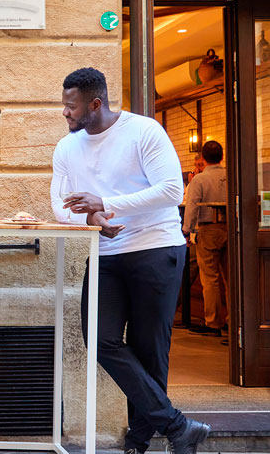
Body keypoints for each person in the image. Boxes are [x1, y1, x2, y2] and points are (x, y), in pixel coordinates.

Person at [50, 68, 210, 454]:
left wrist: (107, 204)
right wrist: (90, 219)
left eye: (71, 107)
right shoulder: (66, 148)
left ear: (95, 104)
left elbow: (172, 190)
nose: (65, 114)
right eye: (64, 106)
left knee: (149, 349)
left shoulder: (143, 131)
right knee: (101, 340)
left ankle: (138, 443)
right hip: (104, 254)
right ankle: (177, 427)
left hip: (156, 248)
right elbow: (60, 205)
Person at [183, 140, 228, 337]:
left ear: (203, 158)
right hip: (232, 229)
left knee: (210, 279)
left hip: (209, 230)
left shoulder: (199, 180)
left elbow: (192, 207)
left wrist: (187, 230)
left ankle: (213, 322)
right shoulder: (231, 175)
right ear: (222, 156)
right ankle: (233, 322)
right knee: (231, 279)